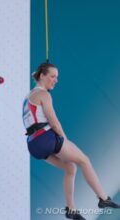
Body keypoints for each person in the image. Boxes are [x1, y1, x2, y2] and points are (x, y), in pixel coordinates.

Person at [22, 62, 120, 220]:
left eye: (57, 77)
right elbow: (54, 122)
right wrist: (64, 140)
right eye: (53, 76)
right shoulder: (44, 94)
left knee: (70, 168)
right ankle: (103, 199)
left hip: (33, 145)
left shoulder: (28, 96)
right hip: (45, 138)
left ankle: (71, 209)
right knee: (85, 161)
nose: (56, 80)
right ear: (42, 76)